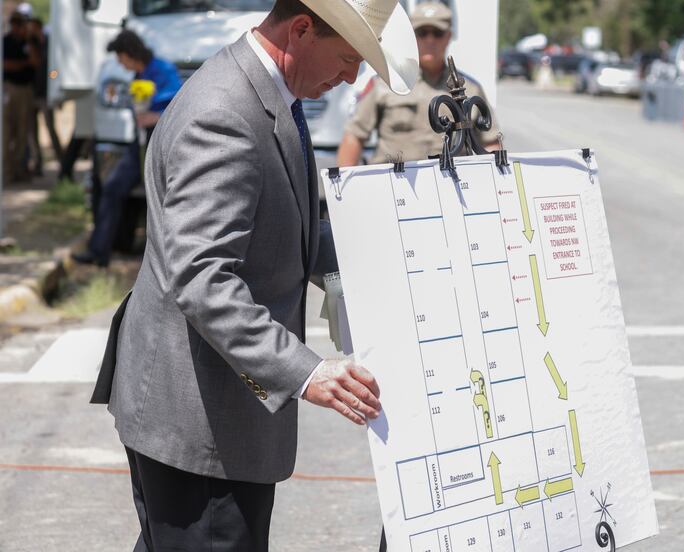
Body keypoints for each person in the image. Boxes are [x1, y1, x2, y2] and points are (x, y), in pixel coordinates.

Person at [89, 0, 419, 549]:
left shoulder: (267, 97)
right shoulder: (225, 114)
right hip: (197, 425)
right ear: (301, 29)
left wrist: (397, 253)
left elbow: (285, 229)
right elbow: (202, 277)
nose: (350, 78)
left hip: (208, 415)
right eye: (347, 59)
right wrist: (306, 372)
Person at [337, 1, 499, 167]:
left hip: (453, 185)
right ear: (412, 36)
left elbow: (490, 142)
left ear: (448, 36)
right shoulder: (385, 84)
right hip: (395, 184)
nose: (430, 40)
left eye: (437, 33)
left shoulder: (469, 90)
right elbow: (354, 136)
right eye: (422, 33)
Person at [72, 30, 182, 267]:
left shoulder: (163, 70)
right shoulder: (137, 75)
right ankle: (99, 251)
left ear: (129, 54)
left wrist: (156, 117)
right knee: (111, 188)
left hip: (162, 146)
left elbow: (180, 103)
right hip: (137, 146)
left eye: (120, 58)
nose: (120, 64)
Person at [3, 10, 38, 184]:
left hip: (26, 90)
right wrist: (23, 64)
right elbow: (7, 66)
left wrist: (30, 42)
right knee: (7, 132)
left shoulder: (29, 42)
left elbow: (36, 63)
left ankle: (17, 169)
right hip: (9, 89)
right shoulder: (6, 42)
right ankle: (7, 171)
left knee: (23, 133)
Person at [27, 17, 62, 176]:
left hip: (46, 93)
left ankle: (62, 162)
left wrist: (52, 78)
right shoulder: (30, 44)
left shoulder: (50, 43)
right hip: (32, 93)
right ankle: (37, 162)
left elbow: (56, 69)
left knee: (50, 128)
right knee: (32, 132)